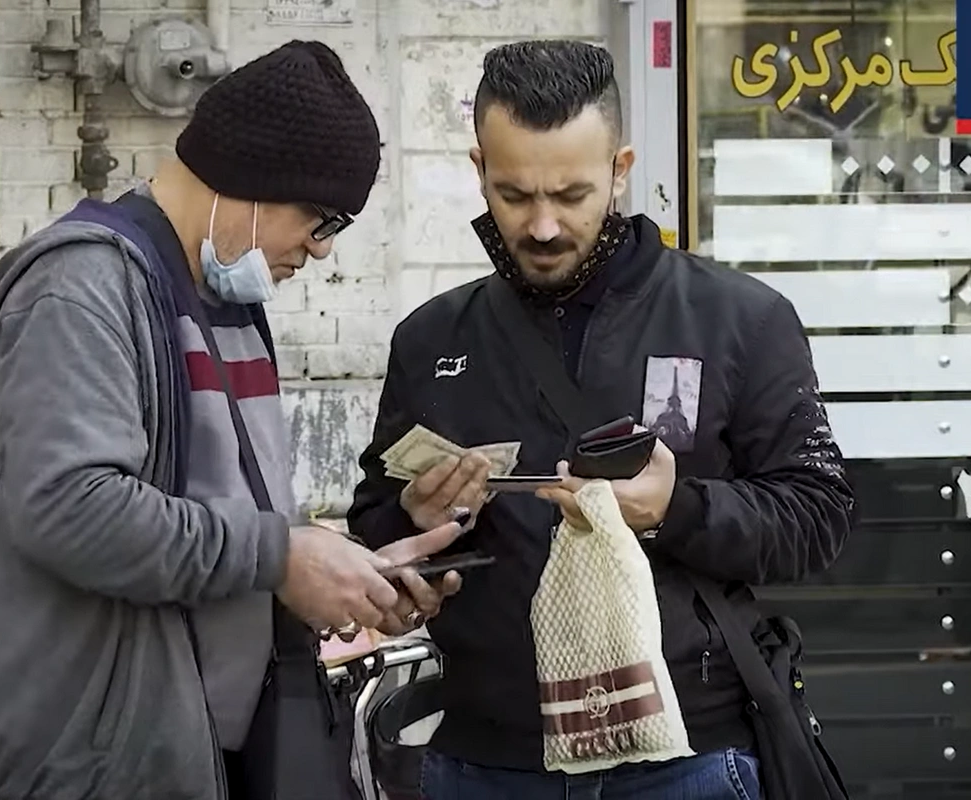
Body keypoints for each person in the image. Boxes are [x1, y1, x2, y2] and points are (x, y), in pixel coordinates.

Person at [348, 39, 856, 799]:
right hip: (485, 761)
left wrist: (677, 509)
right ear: (479, 168)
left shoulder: (739, 319)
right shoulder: (431, 339)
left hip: (691, 762)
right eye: (515, 195)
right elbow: (376, 531)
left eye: (572, 194)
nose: (543, 226)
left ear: (620, 170)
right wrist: (418, 520)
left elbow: (819, 516)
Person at [0, 40, 466, 800]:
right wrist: (281, 558)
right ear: (250, 179)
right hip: (85, 765)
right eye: (321, 218)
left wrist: (353, 572)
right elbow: (69, 507)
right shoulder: (79, 288)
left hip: (198, 753)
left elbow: (232, 524)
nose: (323, 251)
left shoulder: (227, 304)